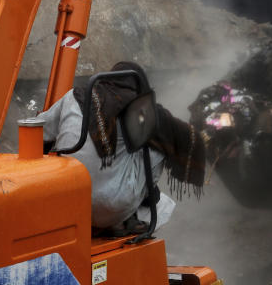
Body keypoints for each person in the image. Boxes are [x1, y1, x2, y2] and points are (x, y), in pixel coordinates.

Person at [39, 62, 205, 236]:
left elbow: (40, 130)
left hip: (63, 202)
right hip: (112, 209)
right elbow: (188, 137)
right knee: (160, 141)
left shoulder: (74, 96)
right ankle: (141, 206)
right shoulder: (142, 108)